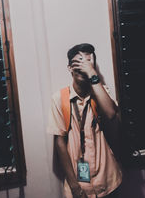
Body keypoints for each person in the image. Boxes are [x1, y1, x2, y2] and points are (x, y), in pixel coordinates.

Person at [47, 43, 122, 198]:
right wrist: (74, 186)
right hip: (79, 186)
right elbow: (59, 143)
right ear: (69, 68)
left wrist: (92, 74)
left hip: (108, 181)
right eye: (78, 62)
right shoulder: (59, 99)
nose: (83, 66)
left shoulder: (101, 92)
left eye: (87, 62)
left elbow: (111, 113)